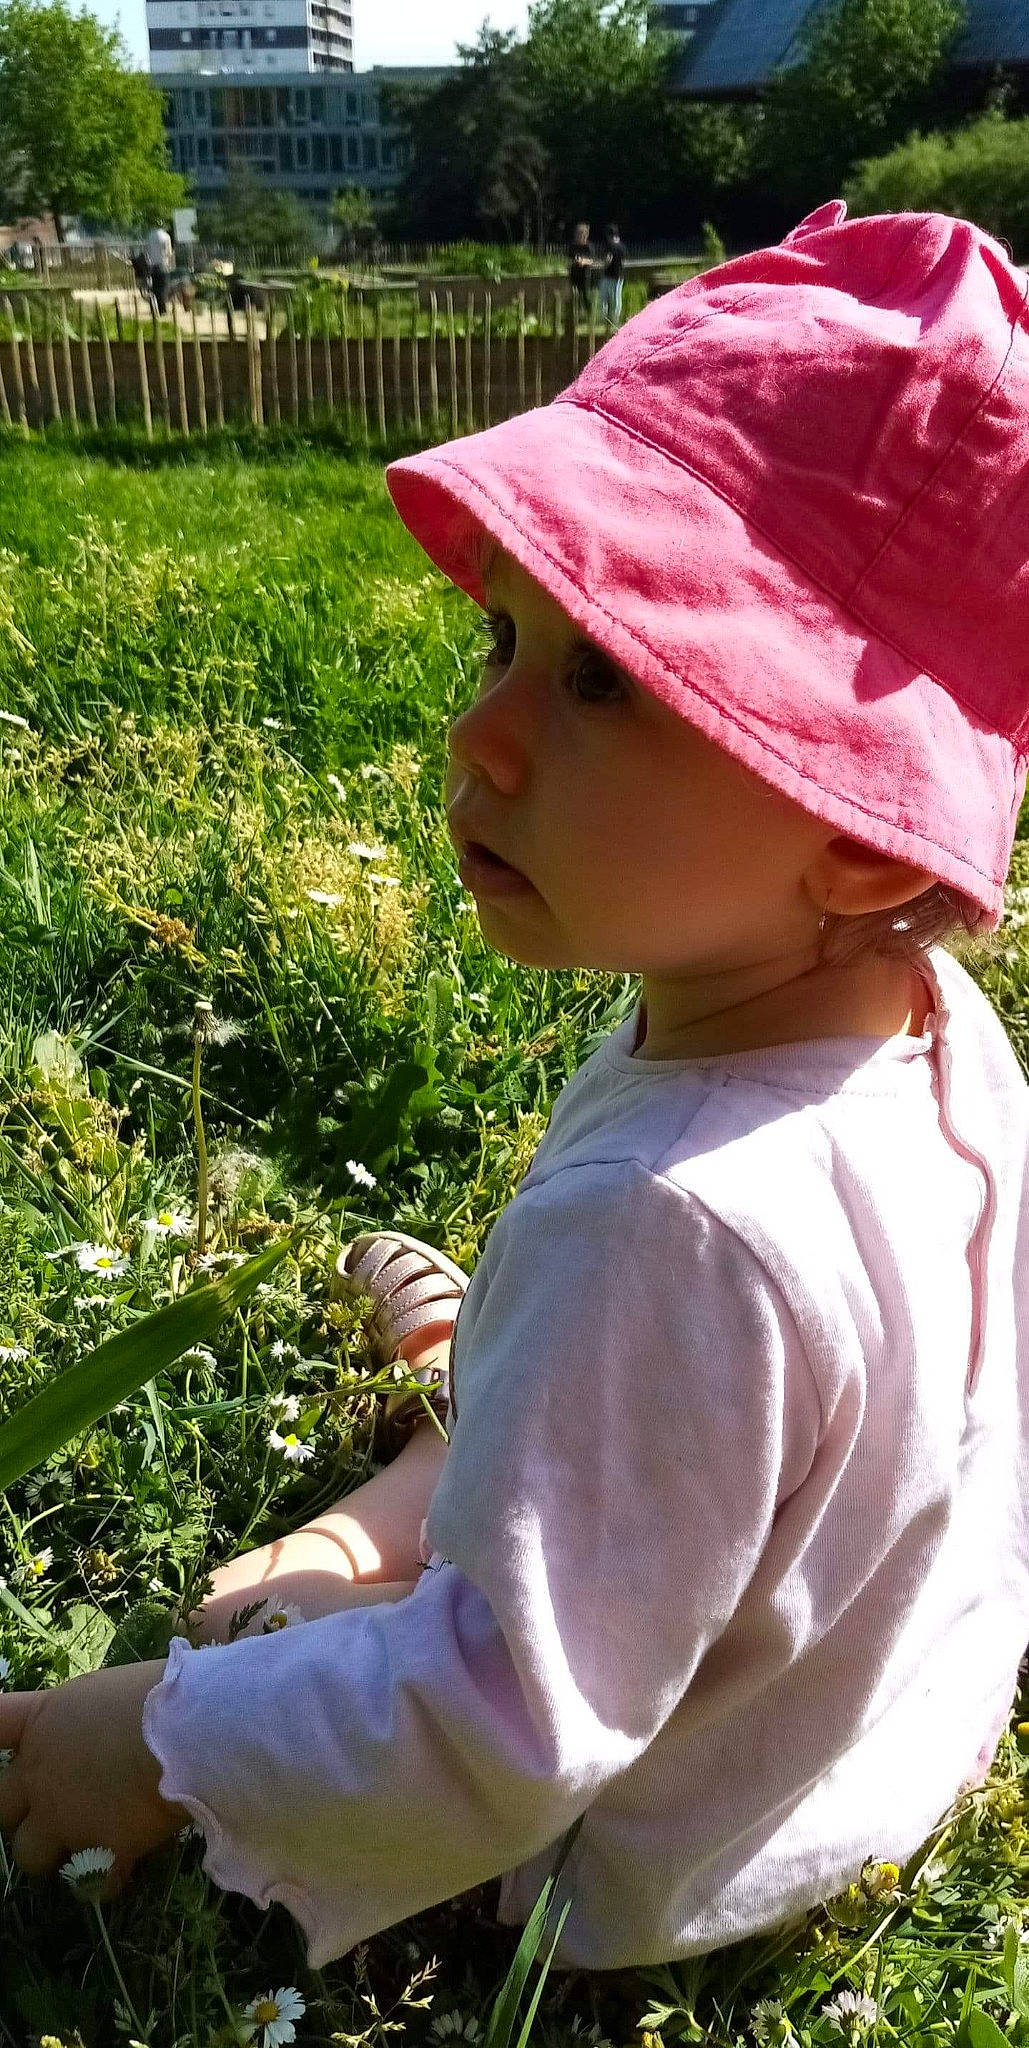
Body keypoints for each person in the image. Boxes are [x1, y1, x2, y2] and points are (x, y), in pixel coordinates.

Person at [2, 201, 1029, 1979]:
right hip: (860, 1721)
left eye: (606, 678)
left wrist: (161, 1738)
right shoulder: (925, 1024)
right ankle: (426, 1456)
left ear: (862, 841)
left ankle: (412, 1488)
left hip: (638, 1846)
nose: (474, 738)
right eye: (502, 645)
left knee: (319, 1631)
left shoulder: (673, 1222)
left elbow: (504, 1728)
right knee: (536, 1400)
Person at [598, 221, 625, 325]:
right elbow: (623, 262)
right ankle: (615, 319)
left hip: (607, 275)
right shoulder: (622, 246)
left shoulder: (610, 245)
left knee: (604, 297)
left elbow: (608, 260)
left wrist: (602, 266)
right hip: (618, 276)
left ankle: (603, 318)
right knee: (616, 298)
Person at [144, 221, 174, 315]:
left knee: (155, 288)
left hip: (152, 266)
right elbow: (169, 252)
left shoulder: (150, 236)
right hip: (163, 265)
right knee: (164, 288)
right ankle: (163, 309)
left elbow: (146, 251)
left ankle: (155, 308)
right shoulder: (166, 236)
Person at [567, 219, 595, 316]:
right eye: (579, 233)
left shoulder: (589, 246)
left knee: (585, 296)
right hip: (574, 274)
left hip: (585, 275)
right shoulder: (572, 246)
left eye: (582, 234)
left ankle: (589, 314)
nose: (580, 236)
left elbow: (591, 260)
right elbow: (569, 260)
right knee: (575, 295)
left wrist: (583, 262)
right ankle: (576, 314)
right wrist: (574, 262)